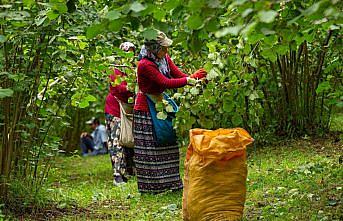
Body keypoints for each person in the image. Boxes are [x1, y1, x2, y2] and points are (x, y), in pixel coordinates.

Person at [134, 31, 207, 193]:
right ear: (154, 48)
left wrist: (195, 78)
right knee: (152, 145)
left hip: (161, 103)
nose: (167, 51)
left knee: (168, 140)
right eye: (163, 48)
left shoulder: (164, 59)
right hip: (147, 107)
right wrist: (188, 81)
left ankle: (172, 183)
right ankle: (153, 187)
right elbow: (165, 82)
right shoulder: (145, 64)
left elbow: (178, 75)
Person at [105, 42, 136, 186]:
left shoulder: (132, 70)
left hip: (127, 110)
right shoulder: (115, 71)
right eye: (126, 53)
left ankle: (127, 170)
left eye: (131, 53)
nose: (129, 56)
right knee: (116, 141)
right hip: (114, 109)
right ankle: (117, 175)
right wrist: (133, 85)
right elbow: (120, 88)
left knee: (127, 140)